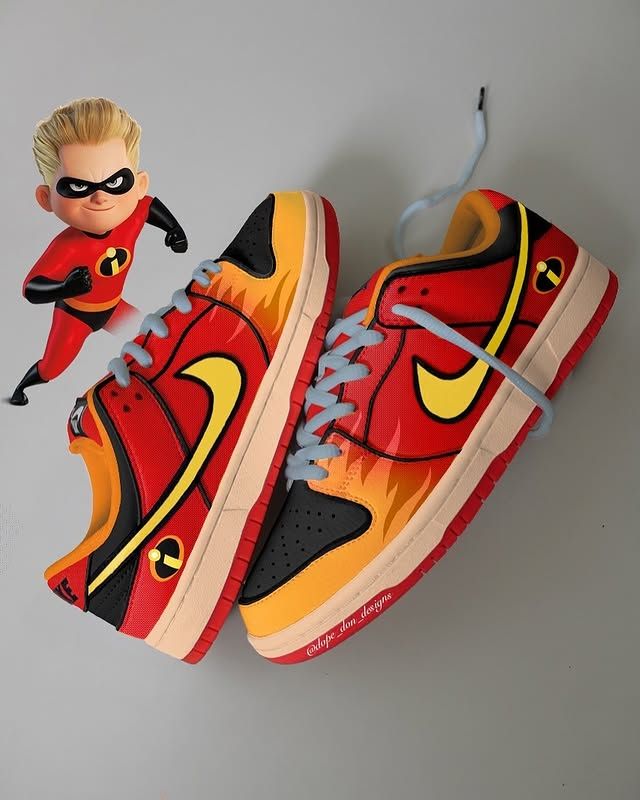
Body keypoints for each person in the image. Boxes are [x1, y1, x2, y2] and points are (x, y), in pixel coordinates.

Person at [10, 97, 188, 406]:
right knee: (52, 367)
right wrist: (65, 288)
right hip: (75, 315)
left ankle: (169, 388)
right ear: (46, 198)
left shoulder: (131, 216)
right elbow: (31, 288)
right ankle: (20, 390)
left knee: (152, 337)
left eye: (115, 182)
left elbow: (149, 206)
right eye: (79, 187)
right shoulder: (66, 247)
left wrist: (173, 229)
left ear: (139, 184)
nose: (100, 197)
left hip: (113, 307)